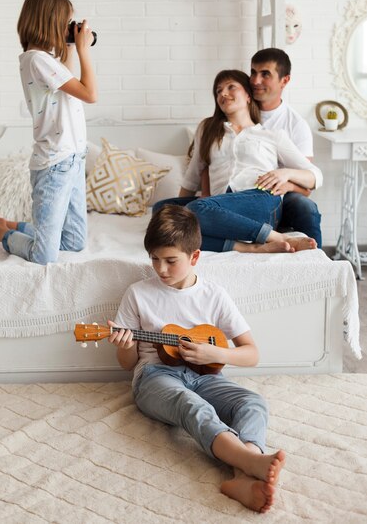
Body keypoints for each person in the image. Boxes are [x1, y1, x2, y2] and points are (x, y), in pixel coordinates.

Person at [108, 205, 286, 513]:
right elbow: (127, 364)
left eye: (170, 260)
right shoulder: (138, 293)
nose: (160, 269)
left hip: (207, 376)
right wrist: (124, 344)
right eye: (154, 259)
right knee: (192, 405)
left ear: (194, 257)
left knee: (253, 403)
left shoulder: (214, 295)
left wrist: (215, 353)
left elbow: (251, 353)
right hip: (155, 377)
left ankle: (242, 477)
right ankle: (250, 460)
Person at [0, 0, 97, 264]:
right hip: (54, 165)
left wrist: (71, 46)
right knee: (44, 255)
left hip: (73, 160)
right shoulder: (36, 60)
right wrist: (85, 50)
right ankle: (1, 233)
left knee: (73, 241)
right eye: (64, 22)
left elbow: (72, 82)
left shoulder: (47, 61)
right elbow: (90, 93)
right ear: (49, 21)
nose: (68, 28)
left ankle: (8, 225)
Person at [153, 69, 322, 254]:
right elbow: (192, 176)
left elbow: (315, 176)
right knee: (161, 212)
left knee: (193, 212)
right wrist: (176, 216)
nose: (223, 94)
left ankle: (278, 237)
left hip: (261, 198)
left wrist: (285, 174)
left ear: (248, 96)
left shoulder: (272, 136)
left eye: (231, 87)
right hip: (219, 203)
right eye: (218, 91)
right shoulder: (208, 129)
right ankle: (251, 248)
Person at [250, 48, 322, 246]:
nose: (255, 81)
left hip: (283, 197)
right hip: (245, 191)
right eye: (253, 72)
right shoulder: (240, 111)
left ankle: (316, 265)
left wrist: (286, 182)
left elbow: (307, 187)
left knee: (305, 206)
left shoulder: (296, 125)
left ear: (285, 80)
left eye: (265, 74)